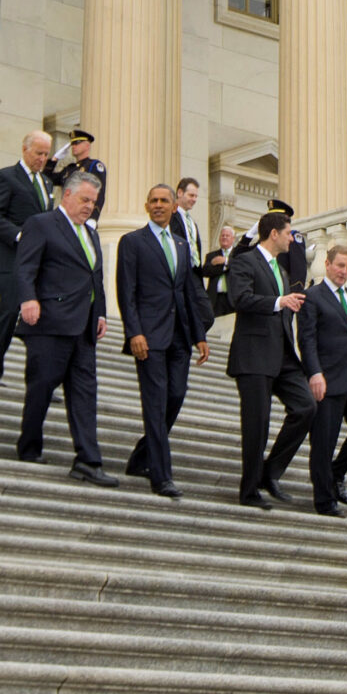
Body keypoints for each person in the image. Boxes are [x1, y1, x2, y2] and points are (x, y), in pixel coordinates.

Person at [11, 170, 114, 485]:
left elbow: (94, 277)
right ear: (66, 195)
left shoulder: (92, 234)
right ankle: (29, 445)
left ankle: (88, 460)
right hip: (50, 324)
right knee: (41, 388)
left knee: (85, 394)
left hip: (83, 329)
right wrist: (28, 299)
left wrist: (101, 313)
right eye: (84, 199)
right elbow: (25, 266)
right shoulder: (42, 224)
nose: (89, 207)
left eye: (93, 202)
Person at [115, 180, 210, 498]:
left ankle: (141, 456)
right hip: (149, 337)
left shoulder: (182, 246)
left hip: (180, 337)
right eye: (152, 200)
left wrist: (199, 335)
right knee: (155, 404)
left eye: (163, 200)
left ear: (173, 206)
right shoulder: (132, 242)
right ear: (147, 206)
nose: (157, 205)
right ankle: (161, 474)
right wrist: (133, 332)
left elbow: (187, 293)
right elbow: (126, 291)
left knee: (176, 396)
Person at [225, 209, 315, 508]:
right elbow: (240, 299)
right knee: (257, 424)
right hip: (253, 355)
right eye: (288, 233)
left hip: (283, 355)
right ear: (274, 233)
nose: (293, 238)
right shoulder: (244, 262)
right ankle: (249, 490)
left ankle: (270, 471)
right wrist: (279, 301)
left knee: (306, 407)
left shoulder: (282, 270)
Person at [299, 241, 347, 515]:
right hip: (327, 377)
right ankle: (324, 500)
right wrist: (314, 373)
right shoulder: (313, 296)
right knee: (324, 441)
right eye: (340, 266)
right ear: (327, 265)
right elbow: (306, 339)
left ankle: (336, 472)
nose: (344, 271)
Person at [0, 131, 59, 383]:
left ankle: (39, 382)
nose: (42, 159)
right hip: (11, 261)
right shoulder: (6, 177)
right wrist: (19, 236)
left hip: (38, 265)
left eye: (46, 154)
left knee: (40, 323)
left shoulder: (46, 183)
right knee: (8, 314)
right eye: (38, 153)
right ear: (25, 150)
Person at [52, 129, 107, 219]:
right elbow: (48, 179)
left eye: (77, 143)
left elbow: (99, 194)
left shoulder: (93, 165)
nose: (73, 146)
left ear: (87, 145)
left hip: (83, 217)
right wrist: (54, 159)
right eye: (72, 144)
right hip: (66, 216)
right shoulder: (70, 168)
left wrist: (93, 218)